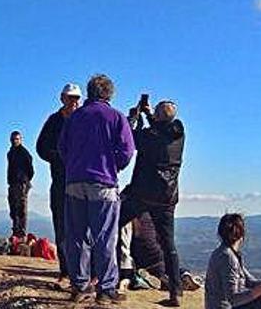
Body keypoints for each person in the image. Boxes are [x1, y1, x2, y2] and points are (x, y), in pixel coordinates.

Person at [58, 74, 135, 304]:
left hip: (74, 182)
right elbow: (127, 151)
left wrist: (74, 165)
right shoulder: (116, 117)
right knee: (105, 237)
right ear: (109, 94)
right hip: (103, 182)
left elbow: (62, 148)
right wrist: (114, 166)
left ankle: (80, 286)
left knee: (77, 236)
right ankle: (106, 288)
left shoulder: (74, 117)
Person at [119, 99, 185, 306]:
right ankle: (176, 292)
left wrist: (135, 117)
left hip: (142, 195)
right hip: (167, 197)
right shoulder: (178, 134)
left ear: (158, 117)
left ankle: (104, 274)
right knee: (168, 244)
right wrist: (150, 115)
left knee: (113, 225)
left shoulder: (149, 136)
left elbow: (131, 137)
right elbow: (160, 130)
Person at [36, 82, 82, 284]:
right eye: (70, 97)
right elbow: (41, 147)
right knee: (62, 227)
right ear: (62, 98)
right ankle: (65, 271)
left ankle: (84, 272)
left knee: (83, 228)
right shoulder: (54, 121)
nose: (73, 102)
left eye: (76, 98)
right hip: (60, 181)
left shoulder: (85, 120)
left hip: (82, 181)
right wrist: (59, 157)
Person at [6, 130, 34, 238]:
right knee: (13, 208)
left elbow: (30, 169)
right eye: (13, 139)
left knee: (21, 208)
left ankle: (21, 232)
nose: (14, 141)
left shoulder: (24, 153)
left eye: (17, 139)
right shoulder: (10, 153)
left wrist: (25, 180)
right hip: (12, 183)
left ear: (21, 140)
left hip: (21, 183)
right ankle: (15, 231)